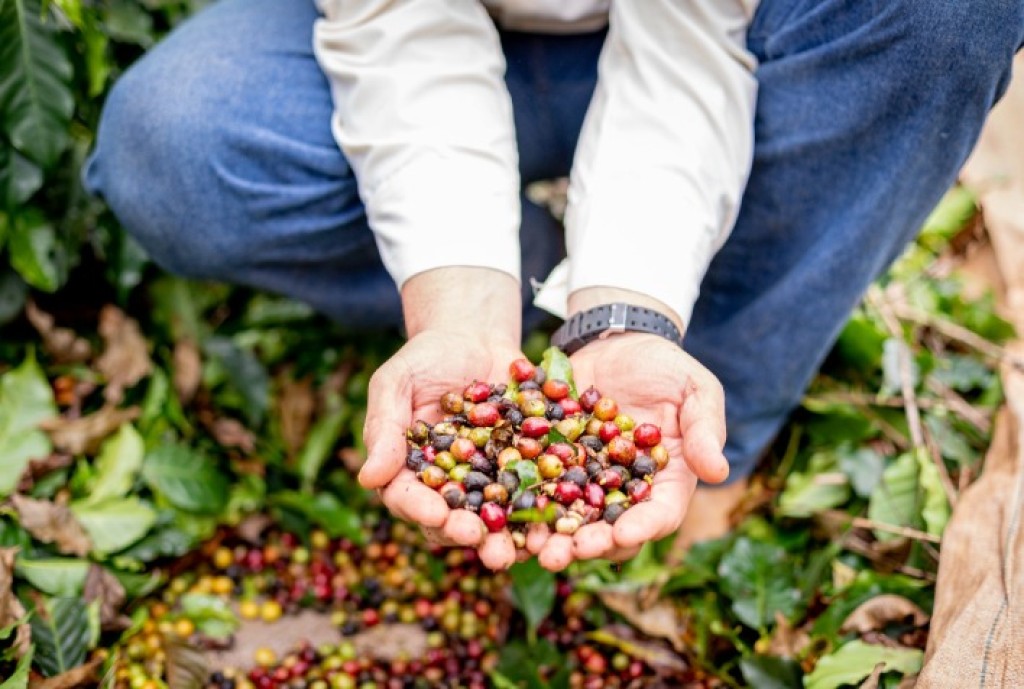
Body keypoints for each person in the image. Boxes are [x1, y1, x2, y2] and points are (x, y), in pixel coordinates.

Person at [83, 0, 1024, 572]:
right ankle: (526, 271)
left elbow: (690, 36)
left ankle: (719, 386)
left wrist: (627, 309)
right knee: (173, 140)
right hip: (413, 41)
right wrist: (460, 304)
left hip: (735, 37)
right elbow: (400, 26)